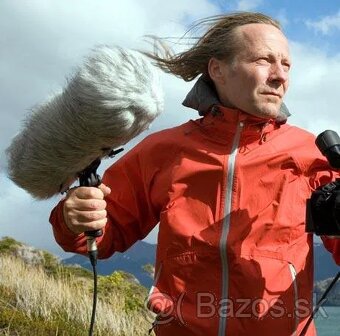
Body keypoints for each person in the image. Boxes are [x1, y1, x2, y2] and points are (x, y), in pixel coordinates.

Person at [50, 12, 340, 336]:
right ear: (217, 69)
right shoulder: (160, 150)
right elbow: (103, 234)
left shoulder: (313, 155)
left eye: (286, 65)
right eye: (264, 60)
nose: (279, 76)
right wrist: (73, 218)